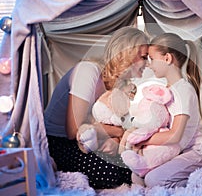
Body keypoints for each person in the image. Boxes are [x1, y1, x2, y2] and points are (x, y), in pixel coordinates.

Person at [44, 26, 149, 189]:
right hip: (58, 142)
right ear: (128, 54)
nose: (147, 64)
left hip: (90, 140)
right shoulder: (88, 71)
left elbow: (118, 123)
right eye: (144, 57)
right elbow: (73, 131)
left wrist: (116, 142)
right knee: (112, 172)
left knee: (138, 161)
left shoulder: (121, 86)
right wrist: (118, 133)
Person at [126, 33, 202, 188]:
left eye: (152, 59)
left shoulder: (183, 90)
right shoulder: (166, 90)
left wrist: (142, 140)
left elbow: (174, 135)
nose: (149, 64)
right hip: (176, 152)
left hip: (196, 153)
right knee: (139, 174)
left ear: (167, 58)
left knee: (153, 180)